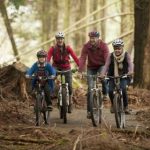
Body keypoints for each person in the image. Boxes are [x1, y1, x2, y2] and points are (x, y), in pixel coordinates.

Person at [78, 31, 109, 118]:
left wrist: (105, 71)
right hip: (91, 67)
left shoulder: (104, 46)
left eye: (94, 38)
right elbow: (83, 58)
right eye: (91, 38)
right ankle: (89, 111)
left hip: (101, 65)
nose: (92, 39)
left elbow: (107, 59)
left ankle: (105, 94)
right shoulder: (86, 46)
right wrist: (80, 71)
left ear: (98, 38)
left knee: (103, 79)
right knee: (90, 88)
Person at [47, 32, 79, 113]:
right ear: (56, 40)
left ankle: (70, 102)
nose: (60, 40)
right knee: (50, 79)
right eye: (58, 39)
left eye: (61, 39)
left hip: (66, 67)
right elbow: (48, 58)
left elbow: (75, 57)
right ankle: (51, 96)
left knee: (70, 87)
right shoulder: (52, 48)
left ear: (63, 39)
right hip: (56, 67)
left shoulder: (68, 48)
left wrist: (80, 66)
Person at [100, 39, 134, 114]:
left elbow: (130, 64)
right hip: (112, 76)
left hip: (124, 76)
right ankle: (113, 104)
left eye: (119, 48)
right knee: (110, 90)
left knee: (123, 89)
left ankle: (126, 107)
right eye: (115, 48)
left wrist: (130, 72)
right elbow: (106, 66)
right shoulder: (111, 56)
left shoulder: (126, 55)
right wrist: (102, 74)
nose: (117, 50)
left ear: (122, 48)